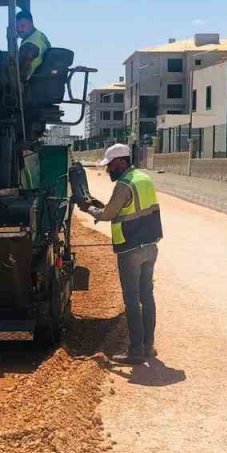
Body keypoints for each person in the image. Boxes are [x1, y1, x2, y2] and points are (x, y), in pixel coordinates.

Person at [87, 143, 163, 365]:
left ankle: (135, 351)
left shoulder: (124, 183)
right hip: (150, 246)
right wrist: (104, 207)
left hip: (130, 249)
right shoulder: (144, 178)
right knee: (147, 296)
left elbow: (109, 214)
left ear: (121, 161)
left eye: (110, 165)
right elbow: (129, 209)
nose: (108, 169)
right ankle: (148, 346)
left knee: (131, 300)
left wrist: (88, 208)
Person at [15, 10, 51, 81]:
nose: (19, 30)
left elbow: (21, 75)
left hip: (31, 83)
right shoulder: (40, 36)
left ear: (31, 23)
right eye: (16, 27)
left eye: (23, 25)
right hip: (43, 79)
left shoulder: (29, 44)